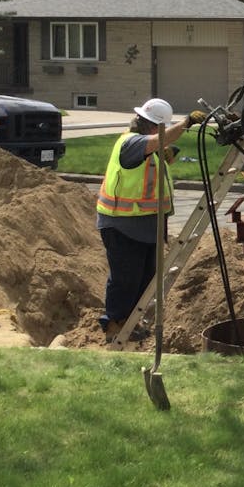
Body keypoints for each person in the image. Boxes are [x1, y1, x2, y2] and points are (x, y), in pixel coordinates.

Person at [96, 98, 206, 341]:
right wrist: (186, 123)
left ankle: (130, 323)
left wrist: (164, 153)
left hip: (145, 225)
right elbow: (156, 143)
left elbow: (155, 157)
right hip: (123, 223)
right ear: (155, 127)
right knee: (126, 278)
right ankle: (114, 324)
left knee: (145, 279)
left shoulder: (148, 146)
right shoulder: (131, 143)